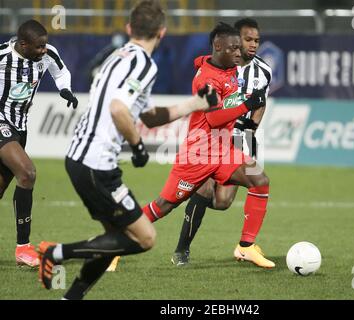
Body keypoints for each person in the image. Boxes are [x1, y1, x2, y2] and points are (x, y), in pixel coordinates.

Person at [37, 0, 216, 300]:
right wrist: (138, 146)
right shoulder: (144, 64)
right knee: (144, 238)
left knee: (114, 238)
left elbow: (148, 115)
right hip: (97, 164)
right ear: (162, 32)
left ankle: (72, 296)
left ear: (129, 28)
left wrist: (197, 103)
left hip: (80, 158)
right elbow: (120, 110)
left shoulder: (115, 58)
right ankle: (56, 253)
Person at [141, 22, 275, 269]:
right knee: (164, 205)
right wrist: (247, 105)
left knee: (259, 181)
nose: (241, 51)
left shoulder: (229, 68)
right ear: (220, 47)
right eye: (236, 46)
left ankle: (245, 247)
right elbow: (213, 118)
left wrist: (250, 126)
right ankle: (121, 237)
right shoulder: (208, 79)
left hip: (225, 147)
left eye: (242, 46)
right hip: (199, 152)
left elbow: (208, 62)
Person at [0, 19, 78, 267]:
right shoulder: (2, 56)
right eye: (39, 47)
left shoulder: (48, 53)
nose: (44, 50)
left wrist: (64, 89)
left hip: (20, 127)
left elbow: (61, 71)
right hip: (1, 122)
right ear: (23, 45)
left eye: (45, 45)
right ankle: (23, 249)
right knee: (27, 173)